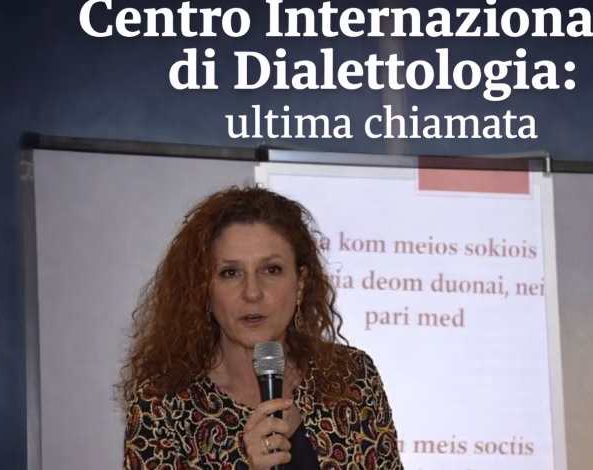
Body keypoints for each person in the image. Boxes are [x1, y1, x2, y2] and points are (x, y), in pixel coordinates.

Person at [118, 184, 404, 470]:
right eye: (230, 273)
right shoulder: (161, 406)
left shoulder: (351, 378)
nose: (252, 292)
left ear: (300, 284)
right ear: (204, 289)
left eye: (271, 270)